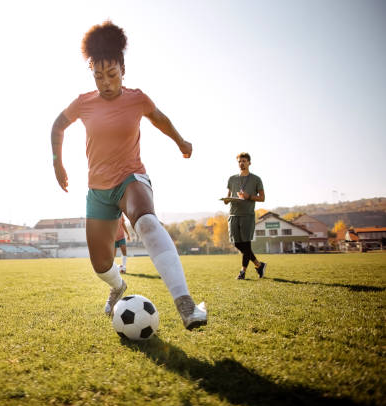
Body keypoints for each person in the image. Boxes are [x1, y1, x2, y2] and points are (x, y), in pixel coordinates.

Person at [50, 21, 207, 330]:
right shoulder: (83, 103)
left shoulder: (137, 99)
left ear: (123, 69)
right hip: (97, 190)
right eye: (98, 76)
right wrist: (58, 163)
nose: (105, 83)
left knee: (146, 221)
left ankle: (187, 306)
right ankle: (117, 287)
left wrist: (180, 141)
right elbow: (57, 125)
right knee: (100, 264)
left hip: (131, 178)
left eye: (111, 75)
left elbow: (159, 119)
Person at [223, 152, 266, 279]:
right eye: (239, 161)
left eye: (244, 161)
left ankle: (242, 272)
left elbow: (262, 198)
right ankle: (258, 265)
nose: (241, 163)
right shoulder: (232, 179)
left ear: (249, 163)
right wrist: (226, 199)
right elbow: (229, 195)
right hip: (233, 215)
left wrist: (249, 197)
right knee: (236, 243)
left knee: (246, 244)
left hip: (247, 215)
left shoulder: (256, 179)